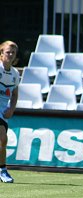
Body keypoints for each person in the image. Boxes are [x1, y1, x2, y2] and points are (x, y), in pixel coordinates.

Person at [0, 41, 20, 183]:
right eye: (8, 52)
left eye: (13, 52)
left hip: (3, 111)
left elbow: (14, 94)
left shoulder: (15, 74)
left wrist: (12, 109)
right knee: (3, 138)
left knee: (2, 141)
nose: (11, 55)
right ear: (1, 54)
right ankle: (3, 170)